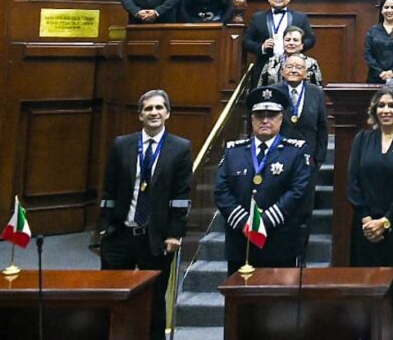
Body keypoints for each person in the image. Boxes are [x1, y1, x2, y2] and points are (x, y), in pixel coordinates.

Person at [97, 89, 192, 340]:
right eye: (148, 108)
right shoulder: (122, 145)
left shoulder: (180, 148)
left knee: (154, 302)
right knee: (112, 295)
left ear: (168, 113)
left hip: (156, 237)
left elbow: (181, 195)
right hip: (120, 234)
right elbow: (109, 189)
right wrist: (105, 228)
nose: (154, 112)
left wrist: (175, 234)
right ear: (140, 115)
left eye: (159, 108)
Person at [347, 87, 393, 340]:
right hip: (365, 228)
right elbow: (352, 183)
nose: (386, 110)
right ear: (374, 110)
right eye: (381, 105)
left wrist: (386, 221)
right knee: (365, 287)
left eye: (391, 105)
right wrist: (367, 219)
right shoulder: (362, 139)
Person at [214, 85, 313, 274]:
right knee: (238, 291)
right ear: (252, 119)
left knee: (277, 293)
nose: (265, 120)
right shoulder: (234, 151)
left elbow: (298, 191)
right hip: (240, 241)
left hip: (279, 241)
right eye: (260, 115)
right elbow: (221, 190)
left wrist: (264, 221)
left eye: (271, 115)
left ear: (281, 118)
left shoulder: (296, 151)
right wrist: (244, 221)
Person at [242, 0, 317, 87]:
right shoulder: (258, 17)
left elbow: (311, 39)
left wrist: (297, 46)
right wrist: (262, 47)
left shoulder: (300, 17)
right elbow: (246, 41)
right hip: (265, 67)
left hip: (293, 66)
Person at [274, 53, 328, 171]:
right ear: (282, 72)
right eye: (289, 67)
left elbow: (322, 126)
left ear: (306, 73)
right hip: (277, 155)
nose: (293, 70)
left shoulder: (317, 93)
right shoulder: (273, 92)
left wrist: (320, 157)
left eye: (298, 67)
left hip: (308, 155)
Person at [259, 26, 324, 87]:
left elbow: (317, 89)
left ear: (302, 45)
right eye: (287, 40)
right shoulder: (272, 62)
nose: (291, 43)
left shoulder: (311, 64)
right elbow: (261, 88)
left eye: (295, 40)